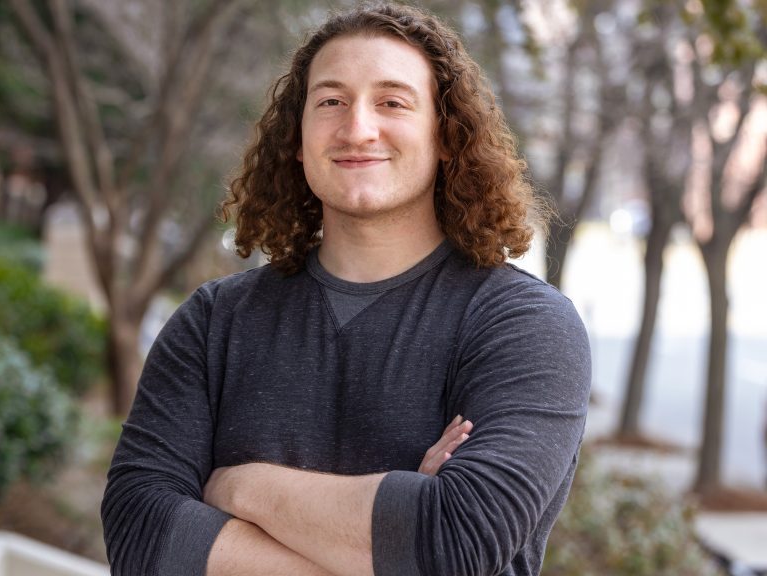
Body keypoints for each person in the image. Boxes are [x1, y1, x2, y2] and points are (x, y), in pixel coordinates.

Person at [101, 3, 591, 575]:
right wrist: (393, 531)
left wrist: (236, 487)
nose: (357, 129)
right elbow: (138, 536)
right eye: (331, 102)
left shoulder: (525, 326)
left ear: (446, 136)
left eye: (392, 102)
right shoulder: (215, 322)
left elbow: (456, 542)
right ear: (297, 138)